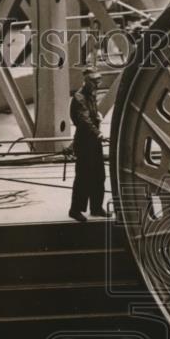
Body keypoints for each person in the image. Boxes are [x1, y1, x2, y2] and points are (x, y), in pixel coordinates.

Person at [68, 67, 110, 223]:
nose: (97, 83)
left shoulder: (91, 95)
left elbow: (90, 116)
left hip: (93, 143)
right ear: (86, 81)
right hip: (85, 143)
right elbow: (84, 121)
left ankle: (96, 207)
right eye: (94, 81)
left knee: (99, 176)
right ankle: (75, 210)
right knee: (83, 178)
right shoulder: (79, 97)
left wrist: (96, 115)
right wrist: (98, 133)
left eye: (97, 80)